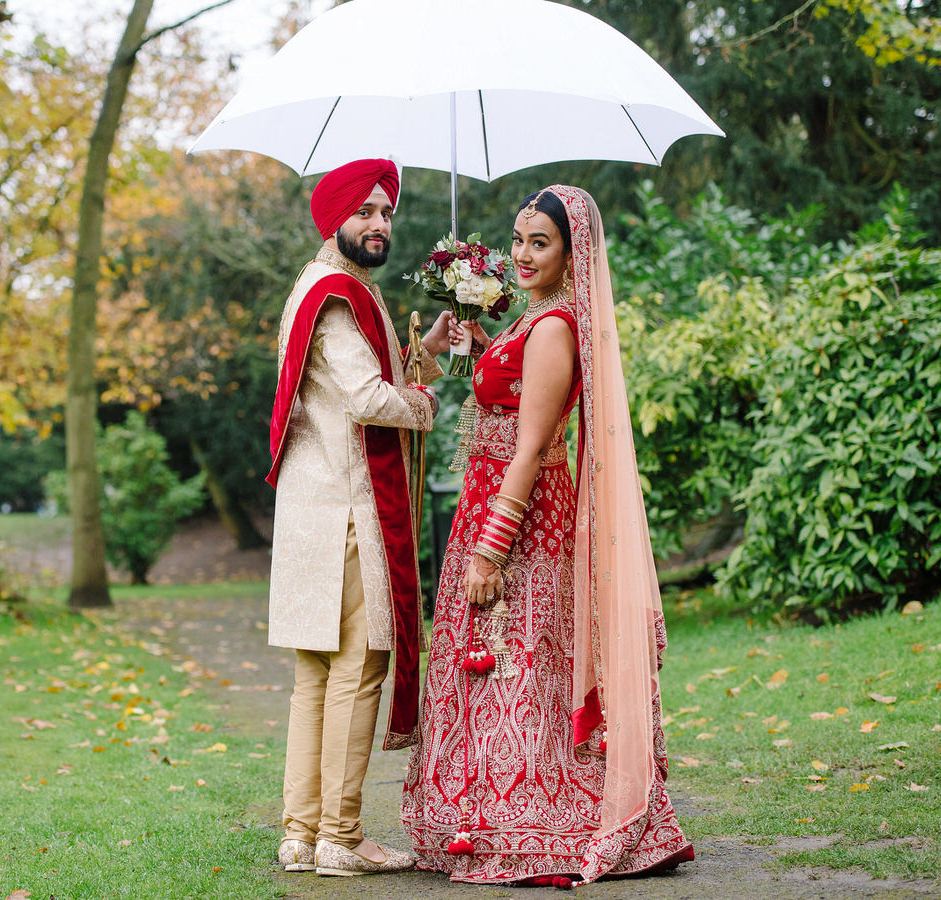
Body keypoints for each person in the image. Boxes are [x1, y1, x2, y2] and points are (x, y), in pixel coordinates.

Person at [401, 185, 693, 885]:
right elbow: (504, 399)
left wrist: (491, 546)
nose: (523, 255)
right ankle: (491, 816)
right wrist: (474, 345)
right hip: (489, 499)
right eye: (519, 239)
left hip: (523, 517)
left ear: (572, 253)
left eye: (541, 243)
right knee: (500, 659)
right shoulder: (530, 320)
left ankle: (546, 822)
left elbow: (532, 445)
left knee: (520, 653)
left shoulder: (556, 327)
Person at [267, 158, 453, 877]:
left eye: (387, 213)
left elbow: (375, 377)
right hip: (347, 511)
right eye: (366, 212)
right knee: (359, 666)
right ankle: (341, 838)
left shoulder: (321, 289)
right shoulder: (340, 295)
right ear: (334, 218)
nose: (380, 225)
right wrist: (428, 406)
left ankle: (303, 833)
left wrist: (428, 352)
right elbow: (370, 398)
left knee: (316, 672)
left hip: (310, 506)